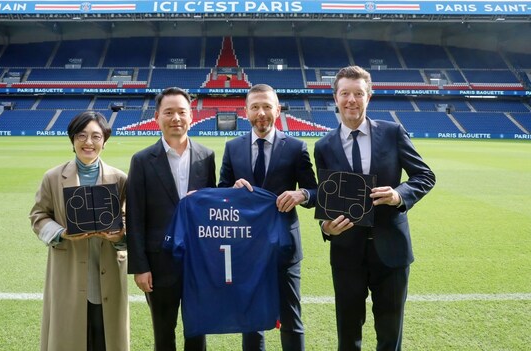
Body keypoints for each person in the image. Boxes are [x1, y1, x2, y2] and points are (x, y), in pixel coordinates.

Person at [314, 65, 436, 351]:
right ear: (335, 97)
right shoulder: (323, 146)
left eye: (359, 93)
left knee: (390, 333)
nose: (351, 100)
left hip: (391, 251)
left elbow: (425, 175)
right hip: (346, 253)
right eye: (345, 93)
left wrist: (399, 194)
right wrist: (325, 227)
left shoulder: (393, 133)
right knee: (347, 332)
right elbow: (326, 197)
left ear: (369, 96)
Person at [218, 83, 318, 351]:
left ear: (277, 109)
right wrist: (231, 191)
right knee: (251, 322)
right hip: (246, 248)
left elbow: (317, 190)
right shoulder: (232, 147)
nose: (261, 112)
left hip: (284, 247)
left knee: (291, 320)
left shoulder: (296, 147)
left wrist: (302, 195)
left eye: (266, 106)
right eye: (255, 107)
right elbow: (220, 191)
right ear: (246, 111)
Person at [29, 111, 129, 351]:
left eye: (96, 136)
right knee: (69, 338)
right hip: (68, 271)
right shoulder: (53, 178)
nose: (88, 142)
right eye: (81, 136)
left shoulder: (120, 179)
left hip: (107, 268)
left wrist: (119, 236)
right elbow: (38, 216)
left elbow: (130, 223)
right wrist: (61, 232)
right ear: (72, 140)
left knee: (107, 338)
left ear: (105, 141)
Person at [126, 87, 216, 350]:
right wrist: (140, 267)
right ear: (157, 116)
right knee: (163, 334)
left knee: (197, 333)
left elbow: (211, 211)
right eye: (169, 112)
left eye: (181, 112)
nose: (176, 117)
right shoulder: (142, 160)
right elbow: (134, 216)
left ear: (192, 116)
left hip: (196, 263)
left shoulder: (206, 156)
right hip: (158, 264)